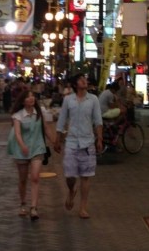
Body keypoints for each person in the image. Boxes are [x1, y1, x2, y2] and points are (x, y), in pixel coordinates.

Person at [54, 73, 103, 219]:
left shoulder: (93, 99)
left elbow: (98, 121)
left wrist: (99, 139)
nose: (84, 81)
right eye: (81, 80)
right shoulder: (68, 100)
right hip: (71, 142)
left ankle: (83, 207)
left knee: (86, 176)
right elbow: (62, 120)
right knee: (70, 175)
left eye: (85, 79)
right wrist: (57, 139)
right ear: (75, 84)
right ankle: (71, 191)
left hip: (88, 142)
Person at [7, 88, 53, 220]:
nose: (31, 98)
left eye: (32, 96)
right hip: (21, 150)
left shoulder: (39, 113)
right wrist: (22, 145)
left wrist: (55, 141)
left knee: (35, 177)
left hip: (37, 148)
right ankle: (23, 203)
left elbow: (46, 128)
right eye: (28, 97)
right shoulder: (18, 116)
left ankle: (34, 208)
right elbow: (17, 133)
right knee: (22, 179)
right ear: (23, 101)